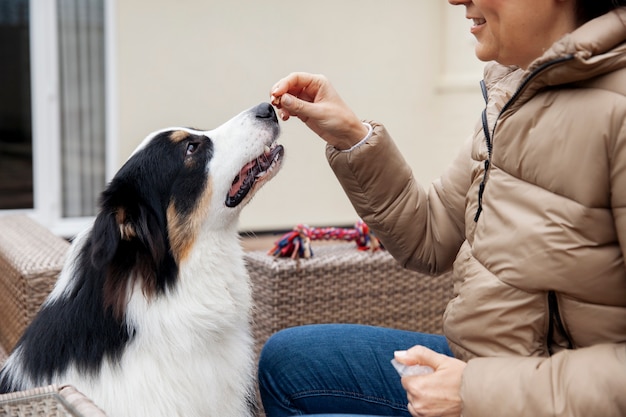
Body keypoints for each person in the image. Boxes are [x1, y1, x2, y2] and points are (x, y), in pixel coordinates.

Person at [258, 0, 626, 416]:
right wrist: (352, 137)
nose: (455, 0)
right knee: (290, 365)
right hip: (477, 370)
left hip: (536, 397)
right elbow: (430, 237)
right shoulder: (517, 92)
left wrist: (476, 393)